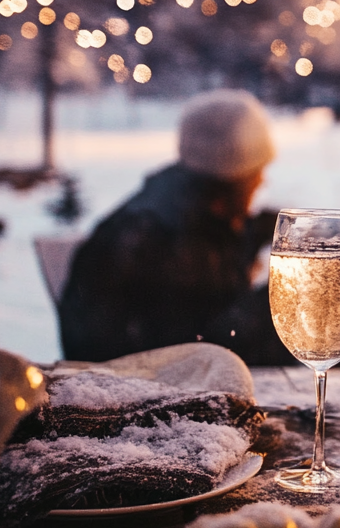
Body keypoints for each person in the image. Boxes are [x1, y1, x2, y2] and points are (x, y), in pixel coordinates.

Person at [59, 89, 294, 364]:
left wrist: (277, 228)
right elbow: (202, 346)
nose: (261, 182)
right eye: (257, 171)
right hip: (135, 389)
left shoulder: (177, 211)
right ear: (234, 177)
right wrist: (283, 294)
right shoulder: (157, 240)